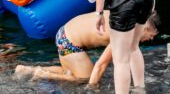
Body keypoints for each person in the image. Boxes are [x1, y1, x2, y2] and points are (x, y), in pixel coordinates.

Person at [14, 11, 159, 84]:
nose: (150, 39)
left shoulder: (124, 14)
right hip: (69, 41)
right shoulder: (123, 31)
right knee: (85, 78)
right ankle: (43, 75)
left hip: (64, 32)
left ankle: (28, 69)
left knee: (68, 72)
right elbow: (101, 65)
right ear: (144, 26)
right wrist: (92, 89)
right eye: (150, 34)